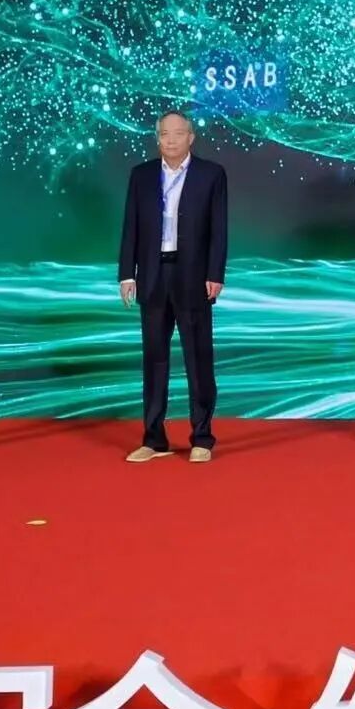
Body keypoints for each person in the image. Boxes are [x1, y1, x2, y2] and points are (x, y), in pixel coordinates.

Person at [118, 110, 229, 463]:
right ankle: (153, 439)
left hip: (194, 276)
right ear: (157, 138)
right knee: (154, 359)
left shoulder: (211, 174)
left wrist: (215, 273)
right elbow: (131, 226)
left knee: (199, 358)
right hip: (152, 275)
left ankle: (202, 437)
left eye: (178, 133)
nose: (170, 139)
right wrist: (127, 273)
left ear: (190, 137)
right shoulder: (141, 175)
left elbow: (219, 229)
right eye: (164, 133)